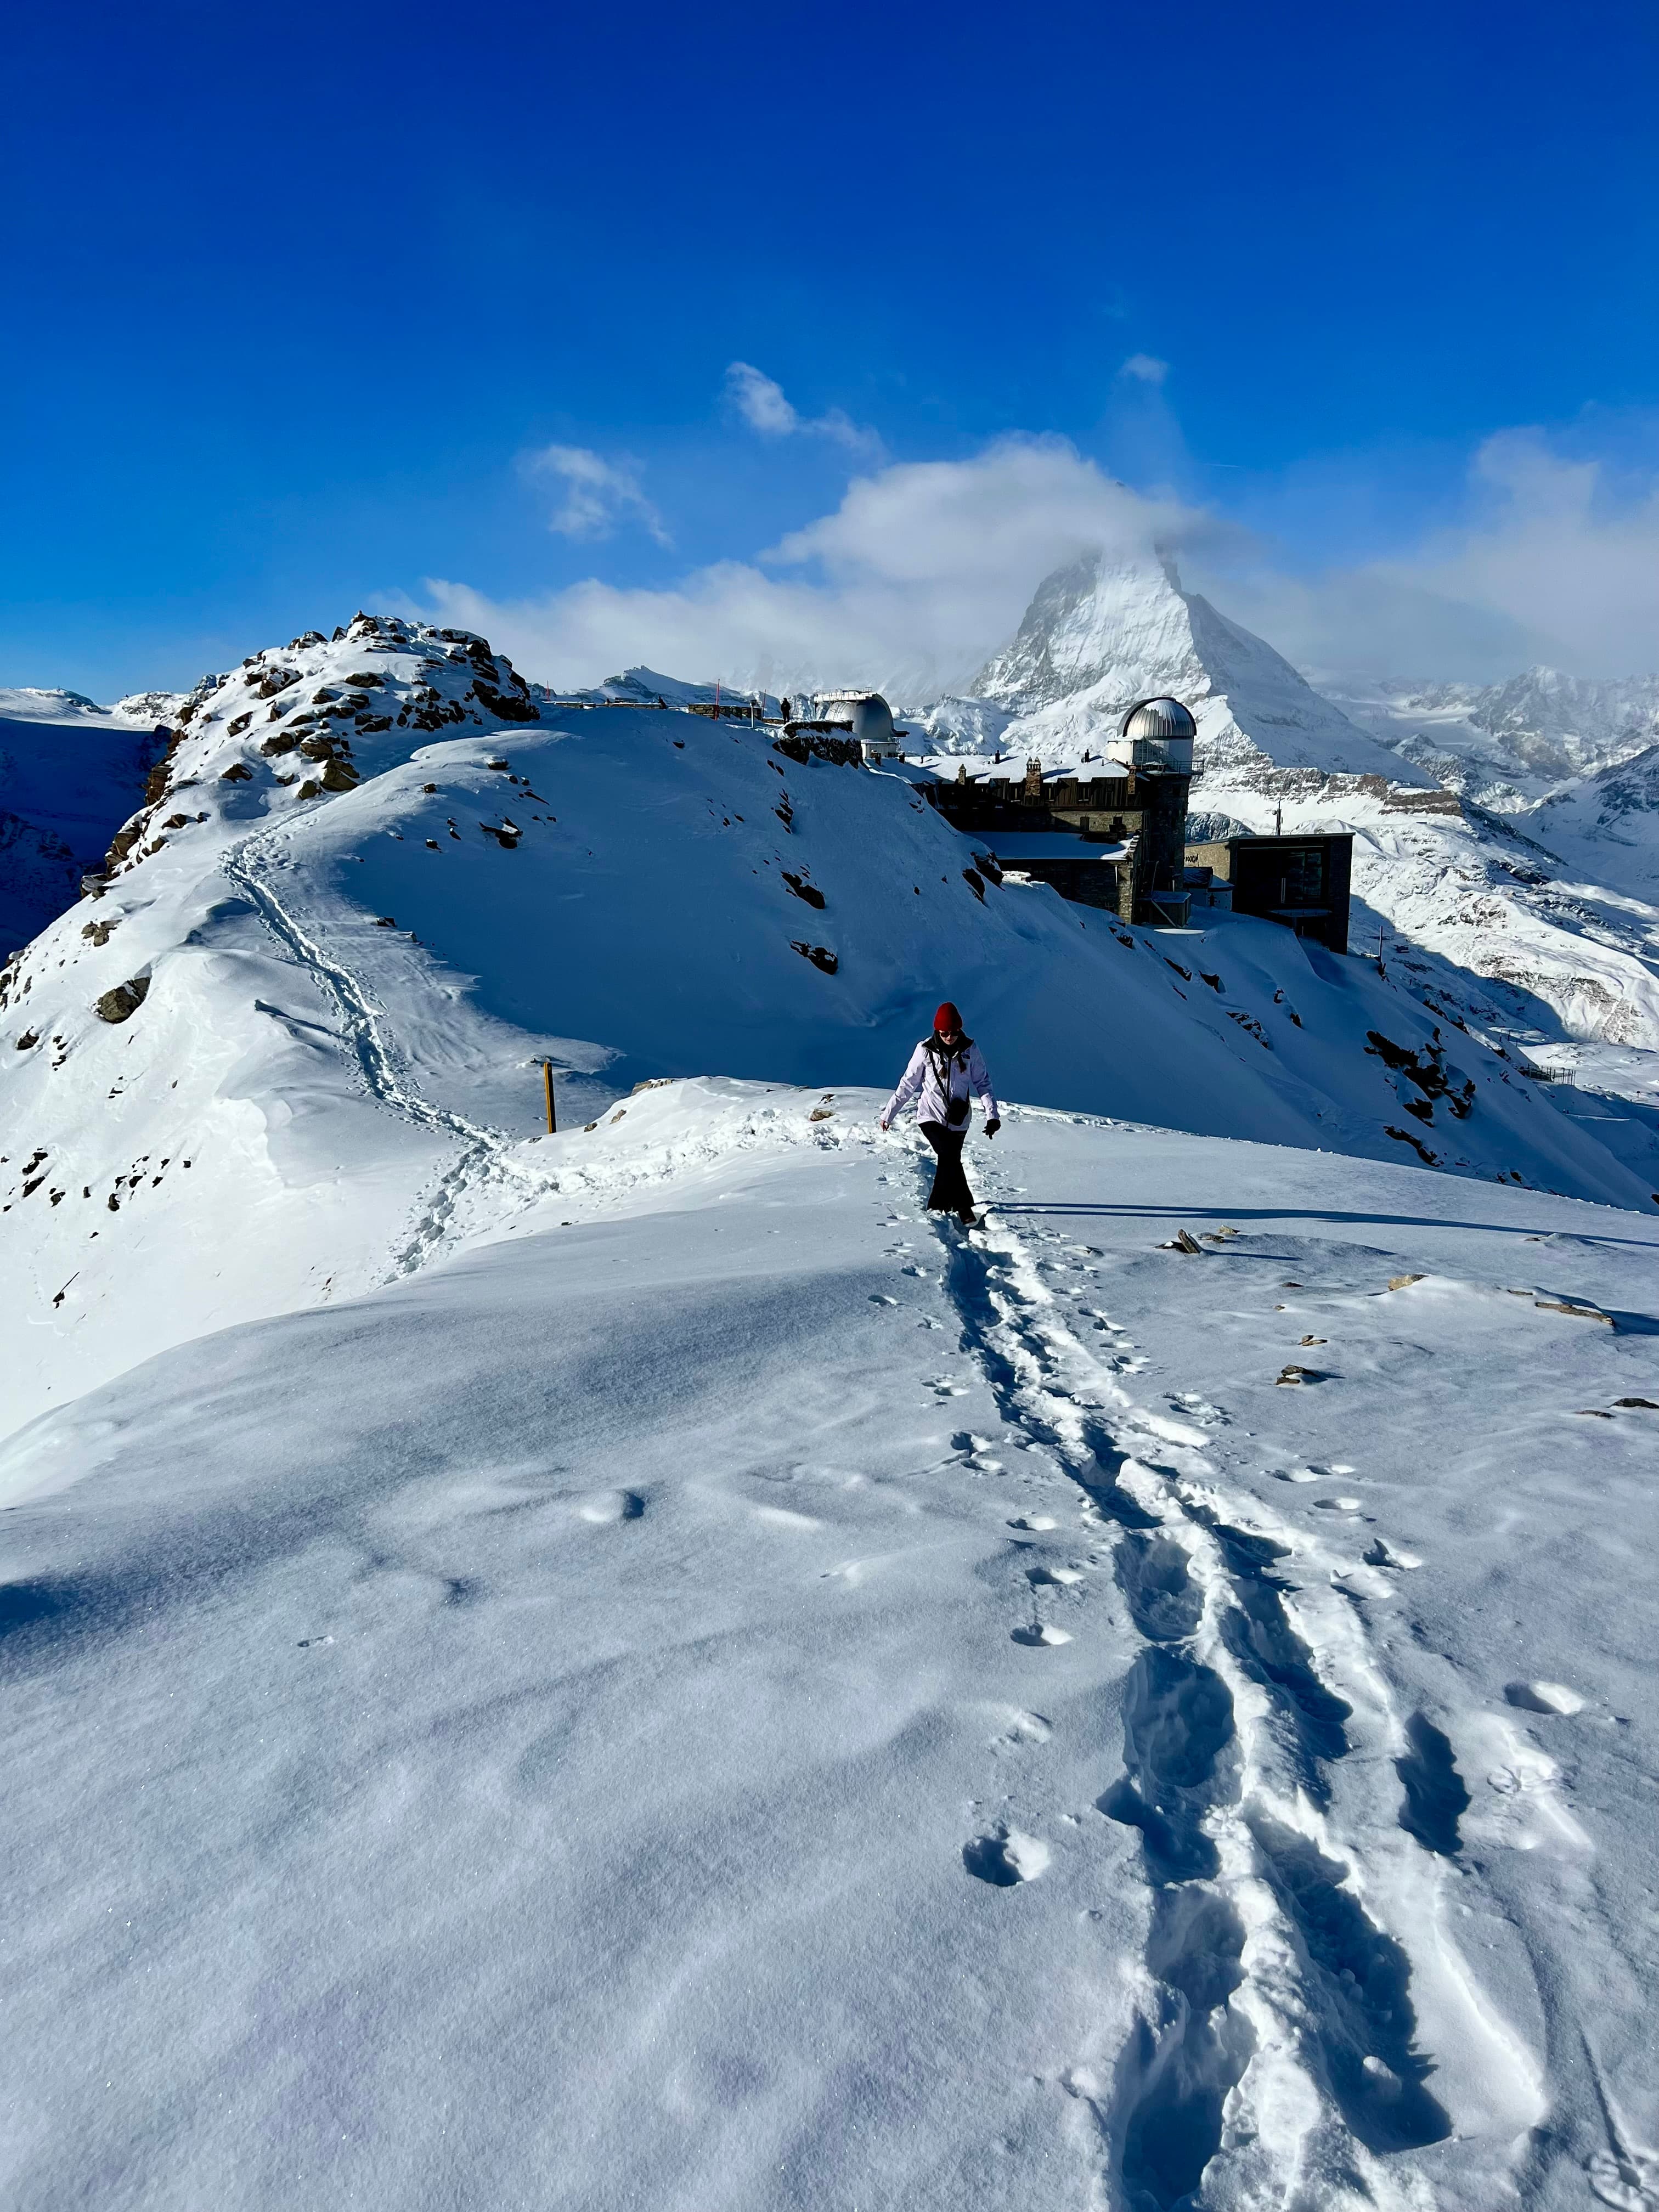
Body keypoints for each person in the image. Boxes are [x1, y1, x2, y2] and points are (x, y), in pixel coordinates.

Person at [879, 1002, 1001, 1224]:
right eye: (945, 1033)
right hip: (930, 1116)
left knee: (949, 1161)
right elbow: (908, 1084)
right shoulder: (925, 1050)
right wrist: (889, 1114)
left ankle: (939, 1206)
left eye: (954, 1033)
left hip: (959, 1119)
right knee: (948, 1156)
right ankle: (963, 1207)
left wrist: (992, 1116)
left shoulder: (970, 1049)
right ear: (938, 1030)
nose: (949, 1037)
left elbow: (983, 1083)